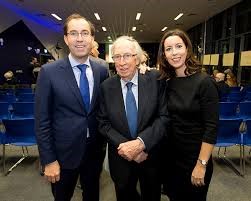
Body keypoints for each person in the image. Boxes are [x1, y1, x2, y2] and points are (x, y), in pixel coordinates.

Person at [35, 13, 109, 201]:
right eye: (74, 33)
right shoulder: (49, 72)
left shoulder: (102, 69)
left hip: (94, 153)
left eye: (85, 33)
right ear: (66, 39)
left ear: (92, 38)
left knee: (92, 196)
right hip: (62, 156)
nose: (80, 38)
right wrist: (49, 160)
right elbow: (42, 120)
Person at [97, 36, 169, 201]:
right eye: (117, 57)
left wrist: (140, 144)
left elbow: (163, 117)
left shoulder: (155, 79)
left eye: (127, 55)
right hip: (121, 158)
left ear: (137, 58)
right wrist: (128, 148)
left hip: (149, 156)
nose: (122, 62)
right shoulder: (106, 87)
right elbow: (103, 123)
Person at [157, 29, 219, 201]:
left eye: (178, 46)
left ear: (187, 49)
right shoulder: (166, 82)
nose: (174, 52)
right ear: (164, 54)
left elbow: (211, 128)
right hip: (171, 160)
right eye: (168, 49)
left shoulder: (204, 82)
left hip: (195, 160)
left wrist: (202, 164)